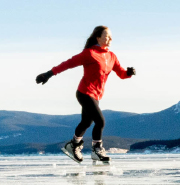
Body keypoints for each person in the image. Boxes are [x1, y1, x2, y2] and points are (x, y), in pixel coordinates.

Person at [35, 25, 135, 164]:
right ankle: (97, 149)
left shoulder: (111, 56)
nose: (110, 38)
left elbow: (121, 73)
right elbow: (68, 64)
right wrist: (48, 74)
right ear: (98, 38)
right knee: (100, 121)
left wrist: (128, 73)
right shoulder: (89, 53)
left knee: (87, 122)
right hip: (84, 92)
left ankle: (73, 145)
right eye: (107, 36)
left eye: (111, 36)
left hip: (97, 95)